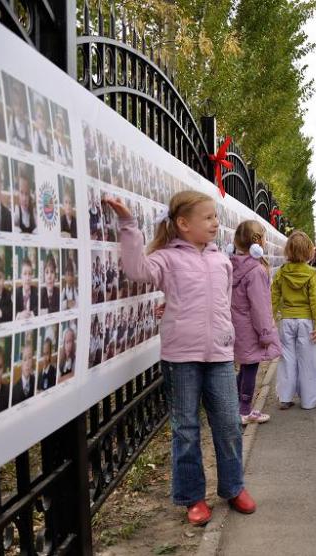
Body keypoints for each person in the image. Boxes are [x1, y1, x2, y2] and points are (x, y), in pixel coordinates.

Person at [106, 191, 256, 526]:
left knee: (229, 424)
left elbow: (222, 301)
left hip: (218, 353)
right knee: (186, 429)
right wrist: (128, 226)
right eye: (208, 218)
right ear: (183, 224)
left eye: (216, 217)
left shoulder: (221, 259)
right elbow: (137, 271)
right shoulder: (168, 258)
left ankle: (233, 487)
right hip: (181, 357)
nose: (216, 223)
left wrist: (228, 334)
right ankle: (193, 497)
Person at [231, 220, 281, 424]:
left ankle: (234, 406)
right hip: (252, 328)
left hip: (236, 325)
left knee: (244, 366)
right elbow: (260, 307)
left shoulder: (232, 265)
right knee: (251, 367)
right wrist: (266, 333)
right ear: (258, 241)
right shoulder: (256, 271)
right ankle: (244, 410)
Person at [271, 231, 316, 410]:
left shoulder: (281, 272)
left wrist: (271, 318)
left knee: (287, 359)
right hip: (306, 322)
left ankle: (285, 397)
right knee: (308, 360)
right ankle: (309, 400)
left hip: (286, 320)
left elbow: (274, 296)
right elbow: (315, 301)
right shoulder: (311, 274)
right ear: (309, 251)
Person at [11, 341, 36, 406]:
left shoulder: (36, 381)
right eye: (24, 359)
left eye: (29, 358)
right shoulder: (14, 390)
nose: (27, 363)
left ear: (32, 360)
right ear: (21, 363)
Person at [13, 165, 37, 233]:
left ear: (30, 194)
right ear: (18, 192)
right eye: (21, 193)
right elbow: (13, 224)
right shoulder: (17, 210)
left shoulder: (33, 211)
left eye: (26, 194)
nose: (24, 198)